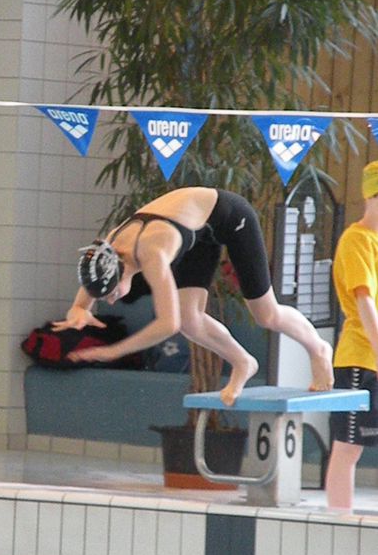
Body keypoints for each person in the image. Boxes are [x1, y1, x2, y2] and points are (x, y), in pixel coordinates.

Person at [53, 187, 334, 406]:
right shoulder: (107, 251)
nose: (111, 301)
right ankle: (243, 362)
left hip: (230, 216)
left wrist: (113, 351)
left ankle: (317, 348)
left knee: (266, 315)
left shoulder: (152, 253)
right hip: (196, 232)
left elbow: (167, 324)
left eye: (112, 293)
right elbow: (91, 284)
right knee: (191, 320)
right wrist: (78, 309)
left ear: (123, 270)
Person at [325, 161, 378, 510]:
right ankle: (337, 520)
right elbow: (365, 304)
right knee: (348, 446)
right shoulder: (356, 240)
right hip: (360, 359)